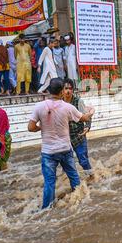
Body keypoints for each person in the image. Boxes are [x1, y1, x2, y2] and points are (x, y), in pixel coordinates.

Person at [28, 78, 95, 209]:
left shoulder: (39, 107)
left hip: (48, 151)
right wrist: (92, 111)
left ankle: (46, 209)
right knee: (74, 177)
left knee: (49, 182)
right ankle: (80, 203)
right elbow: (85, 118)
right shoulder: (68, 107)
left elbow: (30, 127)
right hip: (65, 148)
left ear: (48, 91)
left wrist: (41, 128)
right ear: (61, 92)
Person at [63, 78, 94, 178]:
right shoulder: (59, 103)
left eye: (70, 88)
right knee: (66, 163)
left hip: (78, 135)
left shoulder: (78, 101)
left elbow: (87, 115)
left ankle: (92, 177)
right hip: (64, 137)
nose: (68, 91)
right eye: (66, 88)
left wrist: (87, 127)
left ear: (73, 90)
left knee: (83, 160)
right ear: (62, 90)